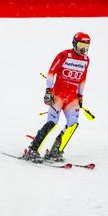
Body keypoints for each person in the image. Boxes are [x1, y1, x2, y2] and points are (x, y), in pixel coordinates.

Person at [23, 32, 91, 163]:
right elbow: (51, 73)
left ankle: (56, 150)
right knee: (52, 122)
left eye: (86, 47)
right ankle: (33, 149)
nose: (83, 49)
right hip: (58, 96)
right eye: (81, 45)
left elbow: (82, 79)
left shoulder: (86, 60)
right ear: (74, 43)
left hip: (72, 98)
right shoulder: (64, 55)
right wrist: (48, 91)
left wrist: (80, 96)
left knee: (73, 124)